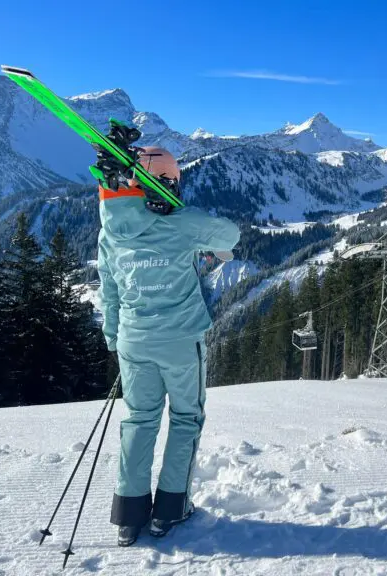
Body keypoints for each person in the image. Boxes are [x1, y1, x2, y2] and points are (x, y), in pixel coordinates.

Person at [95, 143, 240, 547]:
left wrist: (113, 337)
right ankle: (170, 509)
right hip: (180, 340)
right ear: (169, 182)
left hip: (133, 340)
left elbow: (109, 289)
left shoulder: (110, 232)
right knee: (186, 418)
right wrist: (181, 214)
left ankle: (129, 515)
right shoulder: (181, 222)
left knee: (139, 420)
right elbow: (230, 234)